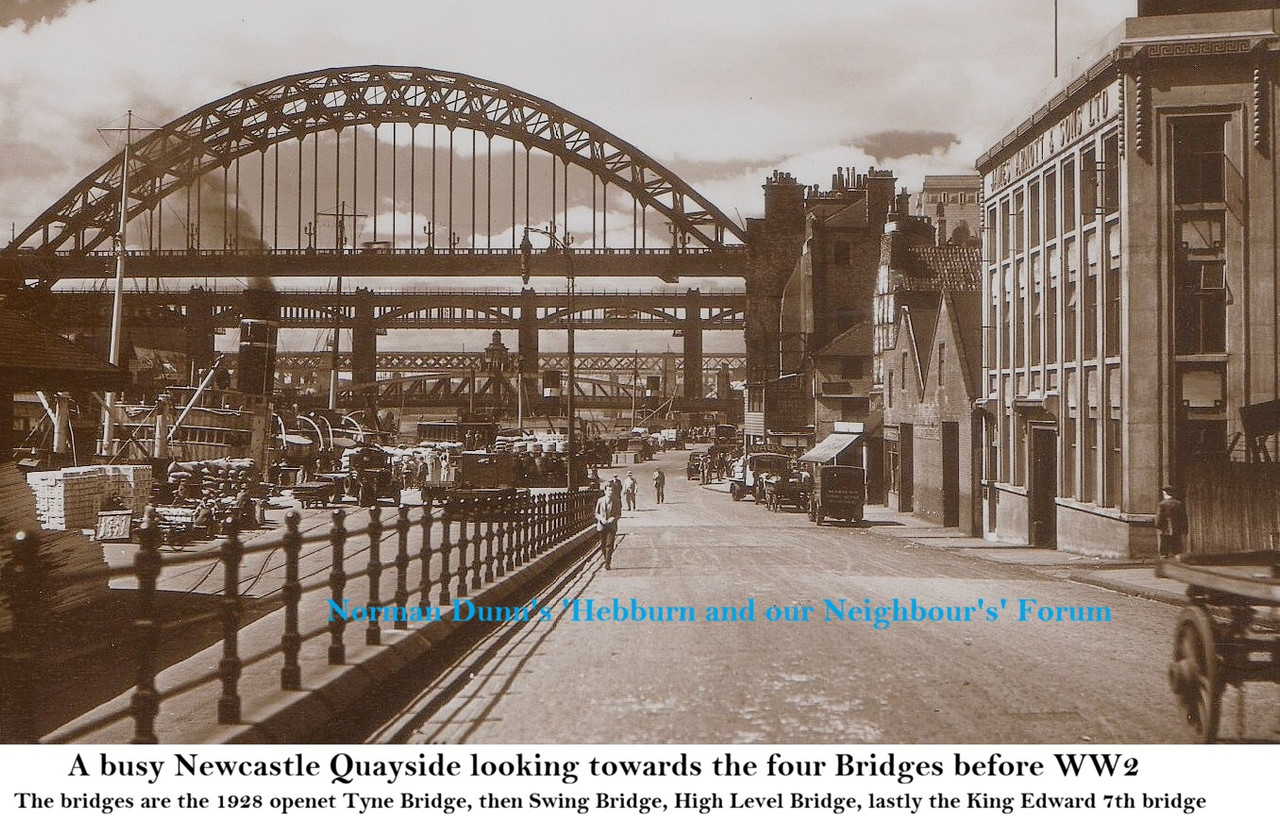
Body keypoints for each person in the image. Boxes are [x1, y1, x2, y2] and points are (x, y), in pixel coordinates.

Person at [1156, 485, 1188, 558]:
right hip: (1176, 527)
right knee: (1176, 542)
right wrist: (1184, 527)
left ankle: (1164, 555)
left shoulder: (1162, 504)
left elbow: (1160, 517)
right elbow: (1183, 517)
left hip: (1165, 527)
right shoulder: (1179, 503)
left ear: (1166, 493)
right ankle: (1177, 556)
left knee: (1164, 542)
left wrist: (1158, 525)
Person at [594, 485, 622, 570]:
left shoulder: (616, 501)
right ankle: (606, 557)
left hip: (611, 526)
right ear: (605, 491)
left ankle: (607, 562)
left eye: (612, 490)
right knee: (603, 545)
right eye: (609, 490)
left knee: (609, 544)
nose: (610, 492)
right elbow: (596, 513)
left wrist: (613, 518)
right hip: (602, 525)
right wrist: (601, 518)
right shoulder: (600, 500)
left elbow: (618, 514)